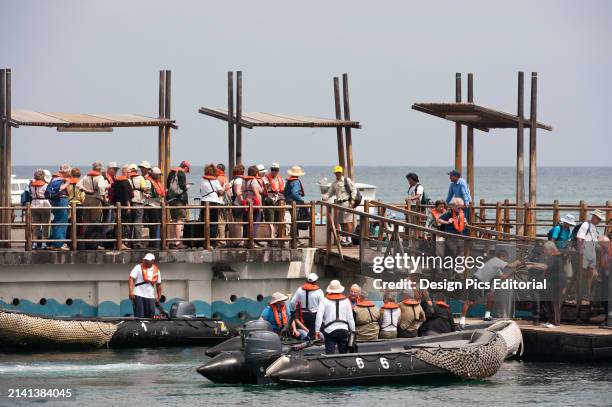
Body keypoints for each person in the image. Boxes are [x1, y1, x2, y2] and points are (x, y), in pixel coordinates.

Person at [459, 248, 521, 328]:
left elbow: (503, 277)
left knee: (491, 296)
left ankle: (487, 316)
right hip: (476, 280)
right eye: (505, 258)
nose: (505, 261)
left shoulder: (497, 267)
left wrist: (513, 272)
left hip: (484, 283)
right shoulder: (496, 260)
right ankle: (462, 320)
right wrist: (518, 261)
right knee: (470, 302)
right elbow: (511, 265)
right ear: (502, 256)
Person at [526, 241, 564, 328]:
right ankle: (551, 321)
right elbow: (545, 265)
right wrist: (533, 263)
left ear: (551, 249)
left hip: (557, 282)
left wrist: (532, 266)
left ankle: (555, 323)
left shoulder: (555, 257)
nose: (545, 251)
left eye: (546, 250)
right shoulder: (553, 256)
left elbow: (544, 266)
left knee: (554, 302)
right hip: (552, 282)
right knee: (550, 302)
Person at [315, 280, 355, 355]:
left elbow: (319, 316)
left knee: (330, 354)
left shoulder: (324, 300)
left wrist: (317, 330)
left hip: (330, 331)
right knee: (343, 354)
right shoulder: (346, 300)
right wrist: (353, 330)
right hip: (344, 330)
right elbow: (350, 317)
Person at [322, 165, 357, 247]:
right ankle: (344, 238)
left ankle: (349, 239)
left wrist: (352, 200)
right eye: (336, 173)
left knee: (348, 221)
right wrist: (324, 198)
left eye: (339, 172)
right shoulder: (334, 183)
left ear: (342, 173)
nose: (338, 174)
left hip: (347, 203)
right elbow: (329, 193)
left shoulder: (346, 180)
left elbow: (354, 190)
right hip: (339, 204)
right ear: (334, 173)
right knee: (341, 221)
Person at [576, 209, 605, 301]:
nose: (599, 221)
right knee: (583, 273)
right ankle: (581, 293)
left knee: (590, 273)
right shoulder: (585, 225)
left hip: (592, 252)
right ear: (594, 217)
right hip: (585, 252)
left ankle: (587, 293)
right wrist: (580, 251)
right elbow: (579, 238)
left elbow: (595, 241)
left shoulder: (593, 227)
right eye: (598, 219)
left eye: (600, 220)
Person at [78, 161, 107, 249]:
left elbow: (78, 184)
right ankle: (95, 243)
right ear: (100, 168)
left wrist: (85, 190)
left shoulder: (86, 176)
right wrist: (103, 197)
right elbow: (101, 187)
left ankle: (85, 242)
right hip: (96, 199)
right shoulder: (100, 177)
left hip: (86, 199)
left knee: (86, 221)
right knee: (96, 221)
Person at [290, 272, 324, 339]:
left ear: (307, 280)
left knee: (308, 333)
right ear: (315, 281)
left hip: (303, 315)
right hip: (314, 315)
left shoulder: (300, 289)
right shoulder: (319, 291)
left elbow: (292, 302)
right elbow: (322, 306)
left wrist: (293, 311)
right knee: (314, 333)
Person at [128, 253, 163, 318]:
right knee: (139, 316)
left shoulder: (157, 270)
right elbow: (131, 279)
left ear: (152, 261)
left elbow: (158, 284)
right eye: (145, 260)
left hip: (150, 297)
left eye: (148, 260)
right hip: (138, 295)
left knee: (150, 316)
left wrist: (159, 296)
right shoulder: (138, 267)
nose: (146, 261)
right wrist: (130, 291)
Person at [166, 161, 191, 249]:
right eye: (188, 169)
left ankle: (172, 241)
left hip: (171, 199)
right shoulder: (181, 173)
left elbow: (167, 186)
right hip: (179, 199)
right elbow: (182, 186)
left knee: (174, 220)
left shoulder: (171, 173)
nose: (187, 171)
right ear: (185, 167)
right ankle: (178, 242)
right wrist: (187, 187)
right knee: (180, 220)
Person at [109, 165, 134, 250]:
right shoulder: (125, 182)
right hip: (124, 206)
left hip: (116, 205)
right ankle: (122, 243)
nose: (130, 173)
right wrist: (129, 206)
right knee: (123, 225)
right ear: (126, 172)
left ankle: (117, 243)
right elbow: (127, 195)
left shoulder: (116, 182)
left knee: (117, 224)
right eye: (129, 172)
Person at [199, 164, 224, 245]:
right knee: (213, 222)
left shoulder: (202, 181)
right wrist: (224, 188)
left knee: (204, 222)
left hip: (203, 202)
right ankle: (212, 242)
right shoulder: (215, 181)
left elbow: (201, 192)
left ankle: (204, 241)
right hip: (213, 202)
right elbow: (221, 192)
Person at [48, 164, 71, 250]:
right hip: (62, 200)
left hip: (54, 201)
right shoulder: (63, 179)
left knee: (57, 221)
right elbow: (65, 190)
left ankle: (56, 242)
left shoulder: (54, 178)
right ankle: (58, 244)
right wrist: (68, 183)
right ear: (66, 171)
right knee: (61, 222)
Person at [128, 163, 150, 249]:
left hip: (130, 202)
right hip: (139, 201)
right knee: (138, 222)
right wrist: (146, 191)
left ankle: (129, 242)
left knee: (130, 223)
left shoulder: (128, 178)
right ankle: (137, 243)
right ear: (136, 170)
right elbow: (145, 188)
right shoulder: (140, 178)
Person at [28, 169, 51, 250]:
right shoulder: (46, 184)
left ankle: (34, 243)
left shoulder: (31, 185)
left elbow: (30, 194)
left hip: (34, 204)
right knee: (45, 224)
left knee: (35, 225)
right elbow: (49, 194)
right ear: (43, 176)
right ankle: (44, 243)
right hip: (44, 204)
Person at [263, 163, 285, 244]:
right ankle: (272, 239)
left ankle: (278, 238)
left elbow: (283, 190)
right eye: (273, 169)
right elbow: (264, 188)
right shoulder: (265, 178)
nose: (274, 171)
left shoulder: (281, 179)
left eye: (276, 170)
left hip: (279, 201)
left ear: (278, 170)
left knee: (278, 220)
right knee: (270, 221)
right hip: (269, 200)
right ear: (270, 169)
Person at [145, 167, 166, 249]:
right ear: (153, 174)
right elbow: (148, 194)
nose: (158, 176)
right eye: (157, 174)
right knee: (154, 224)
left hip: (157, 205)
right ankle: (154, 243)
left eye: (159, 175)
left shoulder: (157, 182)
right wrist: (157, 196)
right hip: (151, 205)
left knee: (157, 224)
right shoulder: (148, 181)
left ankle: (156, 242)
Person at [228, 164, 246, 245]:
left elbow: (228, 192)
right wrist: (242, 201)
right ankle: (239, 241)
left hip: (234, 203)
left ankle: (234, 239)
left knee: (235, 222)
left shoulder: (232, 180)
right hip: (238, 204)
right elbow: (238, 192)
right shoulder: (239, 180)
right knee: (239, 223)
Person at [245, 165, 264, 241]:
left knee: (248, 222)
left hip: (247, 203)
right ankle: (252, 240)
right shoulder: (254, 181)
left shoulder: (246, 181)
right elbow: (257, 194)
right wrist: (261, 206)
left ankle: (248, 240)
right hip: (254, 204)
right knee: (255, 222)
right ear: (256, 173)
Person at [216, 163, 230, 245]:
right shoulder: (225, 178)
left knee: (220, 221)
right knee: (223, 221)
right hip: (225, 203)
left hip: (220, 202)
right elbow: (228, 191)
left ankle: (221, 241)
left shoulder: (219, 178)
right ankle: (223, 239)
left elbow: (220, 191)